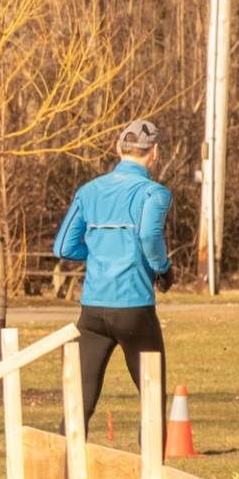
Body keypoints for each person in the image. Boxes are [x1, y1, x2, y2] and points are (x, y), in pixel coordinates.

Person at [53, 119, 173, 426]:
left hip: (93, 309)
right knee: (152, 396)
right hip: (134, 308)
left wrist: (96, 252)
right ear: (154, 153)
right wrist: (163, 269)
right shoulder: (154, 193)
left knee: (80, 401)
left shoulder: (89, 191)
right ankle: (150, 474)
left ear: (118, 149)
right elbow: (148, 236)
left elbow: (64, 247)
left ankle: (64, 471)